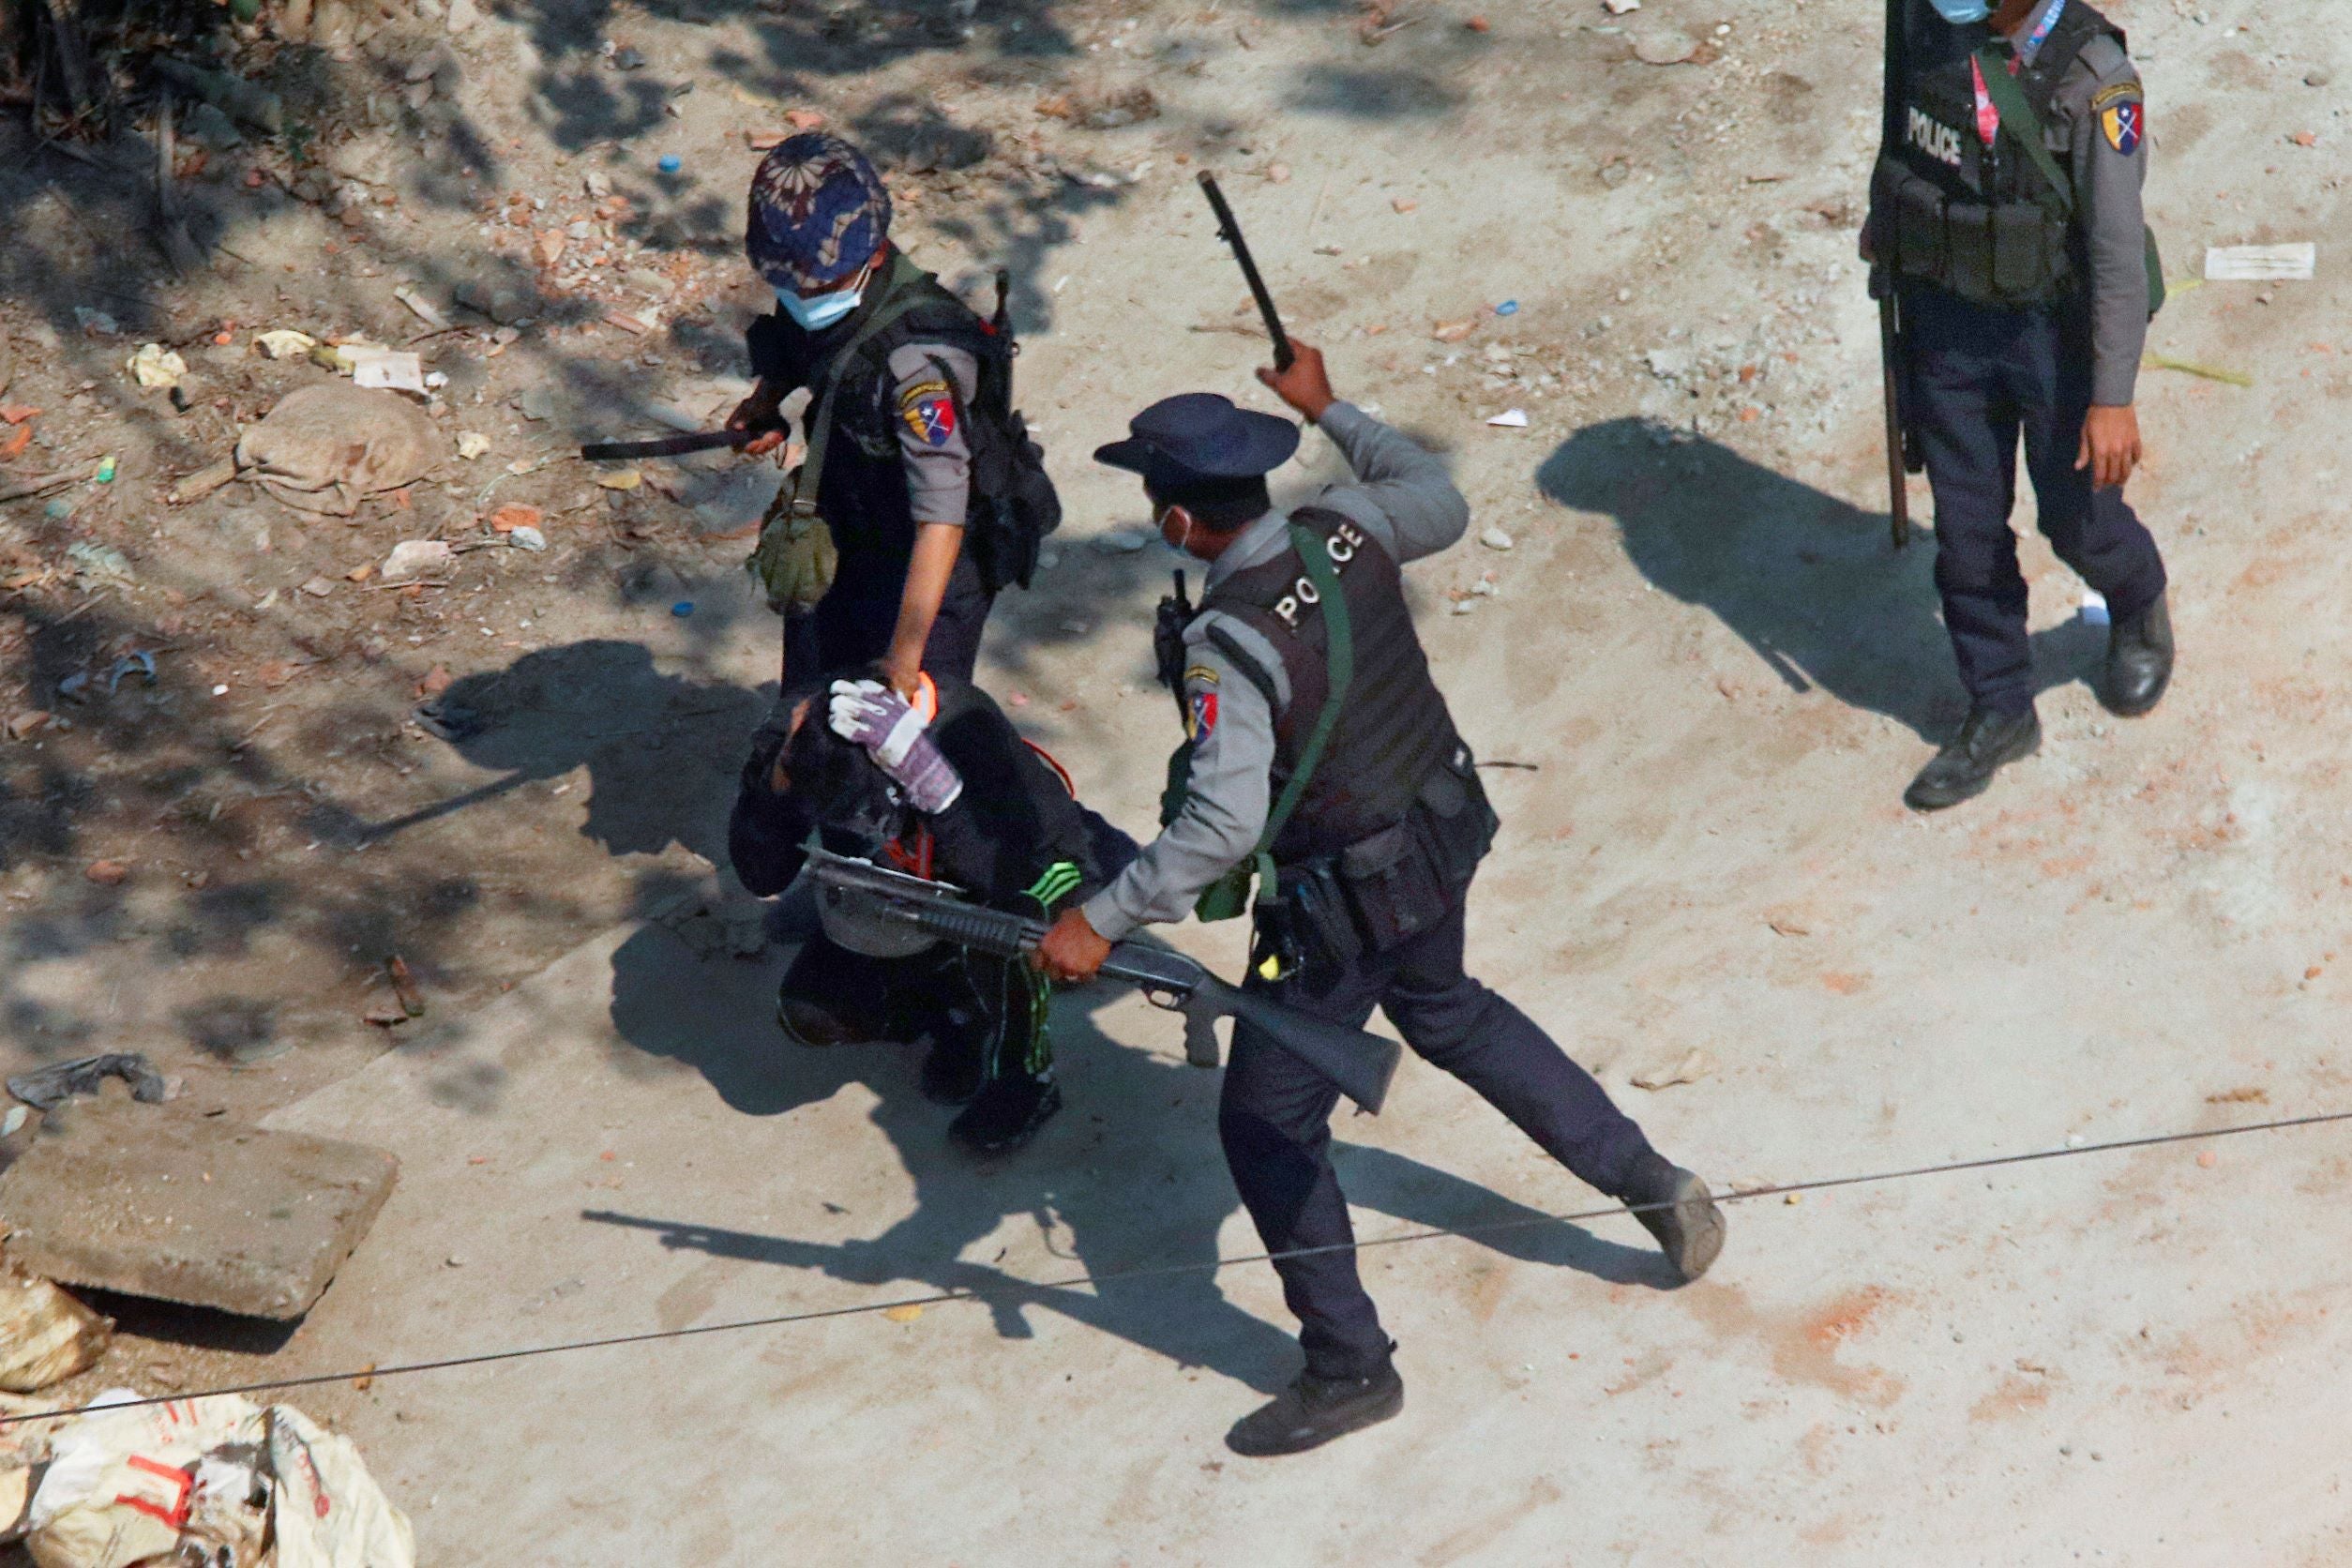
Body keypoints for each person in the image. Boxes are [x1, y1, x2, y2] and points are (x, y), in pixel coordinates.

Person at [1033, 344, 1727, 1457]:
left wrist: (1098, 919)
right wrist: (1332, 409)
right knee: (1450, 1009)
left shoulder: (1226, 643)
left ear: (1175, 523)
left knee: (1265, 1124)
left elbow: (1220, 827)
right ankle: (1650, 1179)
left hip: (1337, 909)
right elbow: (1441, 498)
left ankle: (1349, 1366)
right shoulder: (1344, 527)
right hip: (1439, 833)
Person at [1870, 0, 2173, 810]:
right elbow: (1900, 133)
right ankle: (2000, 704)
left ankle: (2138, 599)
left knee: (2080, 521)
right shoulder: (1923, 20)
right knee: (1966, 537)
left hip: (2053, 335)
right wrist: (1887, 226)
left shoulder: (2094, 79)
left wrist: (2112, 399)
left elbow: (2115, 252)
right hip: (1945, 320)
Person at [730, 668, 1135, 1153]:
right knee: (811, 1012)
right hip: (910, 903)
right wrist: (774, 783)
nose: (862, 826)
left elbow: (1012, 877)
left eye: (868, 812)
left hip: (1038, 868)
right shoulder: (800, 731)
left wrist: (941, 796)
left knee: (1015, 925)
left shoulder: (966, 730)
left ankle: (1026, 1078)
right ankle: (953, 1012)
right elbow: (762, 876)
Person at [730, 133, 1057, 698]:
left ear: (876, 253)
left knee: (910, 742)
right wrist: (766, 406)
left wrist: (905, 661)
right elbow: (803, 343)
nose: (801, 295)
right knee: (809, 699)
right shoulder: (821, 283)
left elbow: (942, 515)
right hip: (851, 519)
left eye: (815, 284)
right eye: (787, 284)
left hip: (930, 568)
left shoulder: (919, 367)